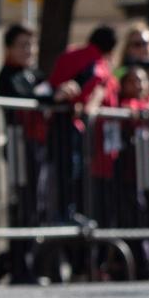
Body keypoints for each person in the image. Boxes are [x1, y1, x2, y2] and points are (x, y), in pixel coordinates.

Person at [0, 24, 50, 281]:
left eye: (31, 44)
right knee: (23, 204)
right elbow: (28, 98)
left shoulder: (34, 74)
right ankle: (19, 265)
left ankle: (29, 262)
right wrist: (46, 96)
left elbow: (47, 92)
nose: (28, 50)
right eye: (22, 45)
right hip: (19, 143)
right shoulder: (8, 74)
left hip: (37, 143)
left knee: (35, 205)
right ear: (9, 48)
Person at [47, 24, 119, 219]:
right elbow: (91, 85)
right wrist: (83, 104)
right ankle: (66, 214)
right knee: (71, 173)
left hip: (58, 121)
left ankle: (65, 213)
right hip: (71, 123)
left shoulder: (71, 53)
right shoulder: (97, 63)